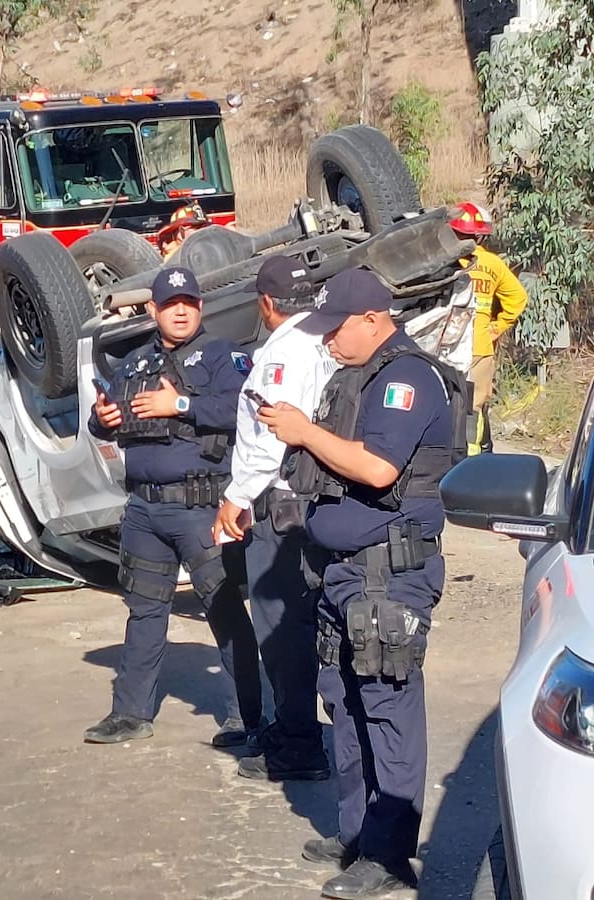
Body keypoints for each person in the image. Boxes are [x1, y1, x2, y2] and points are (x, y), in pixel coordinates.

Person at [259, 268, 465, 898]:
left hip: (387, 571)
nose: (325, 341)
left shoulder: (407, 378)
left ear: (375, 319)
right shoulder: (356, 375)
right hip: (344, 570)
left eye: (335, 328)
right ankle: (358, 836)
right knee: (344, 700)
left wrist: (303, 431)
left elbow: (378, 469)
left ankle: (390, 852)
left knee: (385, 704)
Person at [84, 265, 262, 746]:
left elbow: (242, 409)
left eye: (188, 302)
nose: (180, 311)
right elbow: (102, 425)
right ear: (153, 310)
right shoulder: (134, 363)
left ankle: (246, 716)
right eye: (170, 304)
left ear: (200, 307)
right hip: (144, 510)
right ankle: (130, 714)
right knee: (144, 611)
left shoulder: (224, 355)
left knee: (224, 611)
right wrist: (102, 420)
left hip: (201, 507)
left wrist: (179, 405)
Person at [211, 256, 339, 782]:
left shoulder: (281, 354)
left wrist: (235, 499)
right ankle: (301, 729)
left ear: (266, 304)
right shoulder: (326, 339)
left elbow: (269, 438)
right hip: (318, 503)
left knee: (282, 631)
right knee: (310, 626)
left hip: (280, 507)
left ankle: (298, 744)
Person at [449, 201, 527, 455]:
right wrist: (496, 327)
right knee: (475, 404)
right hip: (479, 347)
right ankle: (471, 459)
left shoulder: (444, 262)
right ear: (480, 235)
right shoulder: (492, 264)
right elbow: (518, 298)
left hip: (446, 344)